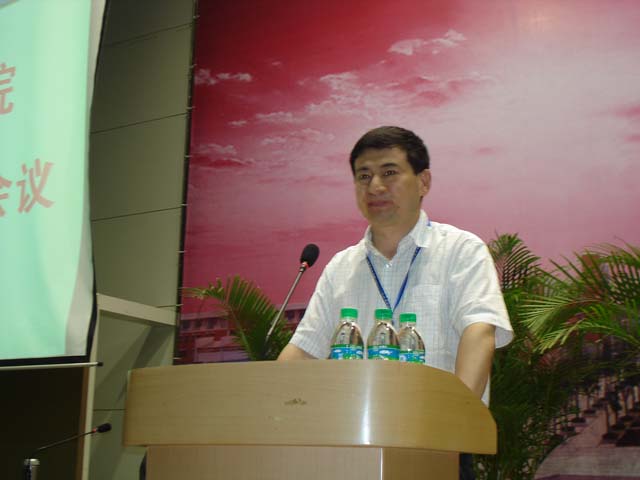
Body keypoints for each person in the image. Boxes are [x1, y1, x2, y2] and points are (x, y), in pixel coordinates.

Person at [277, 126, 513, 479]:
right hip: (350, 445)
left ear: (423, 181)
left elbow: (479, 334)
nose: (374, 186)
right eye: (364, 176)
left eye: (389, 172)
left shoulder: (461, 250)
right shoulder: (341, 267)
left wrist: (453, 422)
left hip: (436, 445)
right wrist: (266, 409)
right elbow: (303, 352)